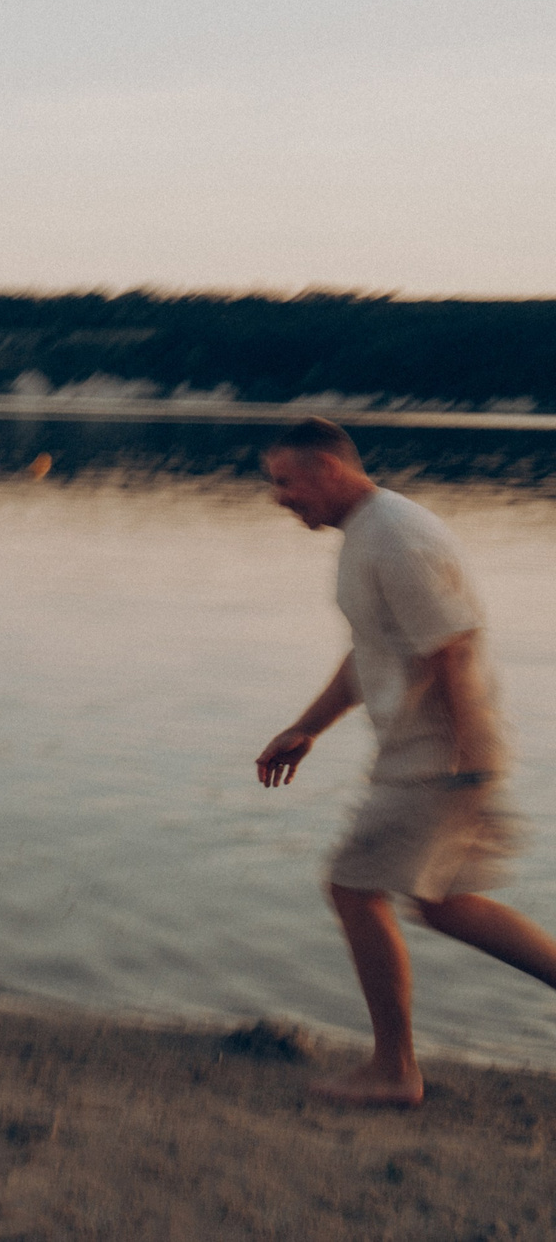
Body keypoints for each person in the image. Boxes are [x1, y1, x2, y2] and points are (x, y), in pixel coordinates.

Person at [253, 417, 556, 1107]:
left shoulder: (396, 533)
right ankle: (395, 1065)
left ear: (329, 467)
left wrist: (470, 759)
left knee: (354, 889)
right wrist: (307, 727)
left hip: (436, 759)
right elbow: (372, 653)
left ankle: (394, 1070)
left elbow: (449, 644)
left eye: (285, 480)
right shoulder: (368, 533)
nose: (279, 497)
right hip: (432, 755)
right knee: (442, 903)